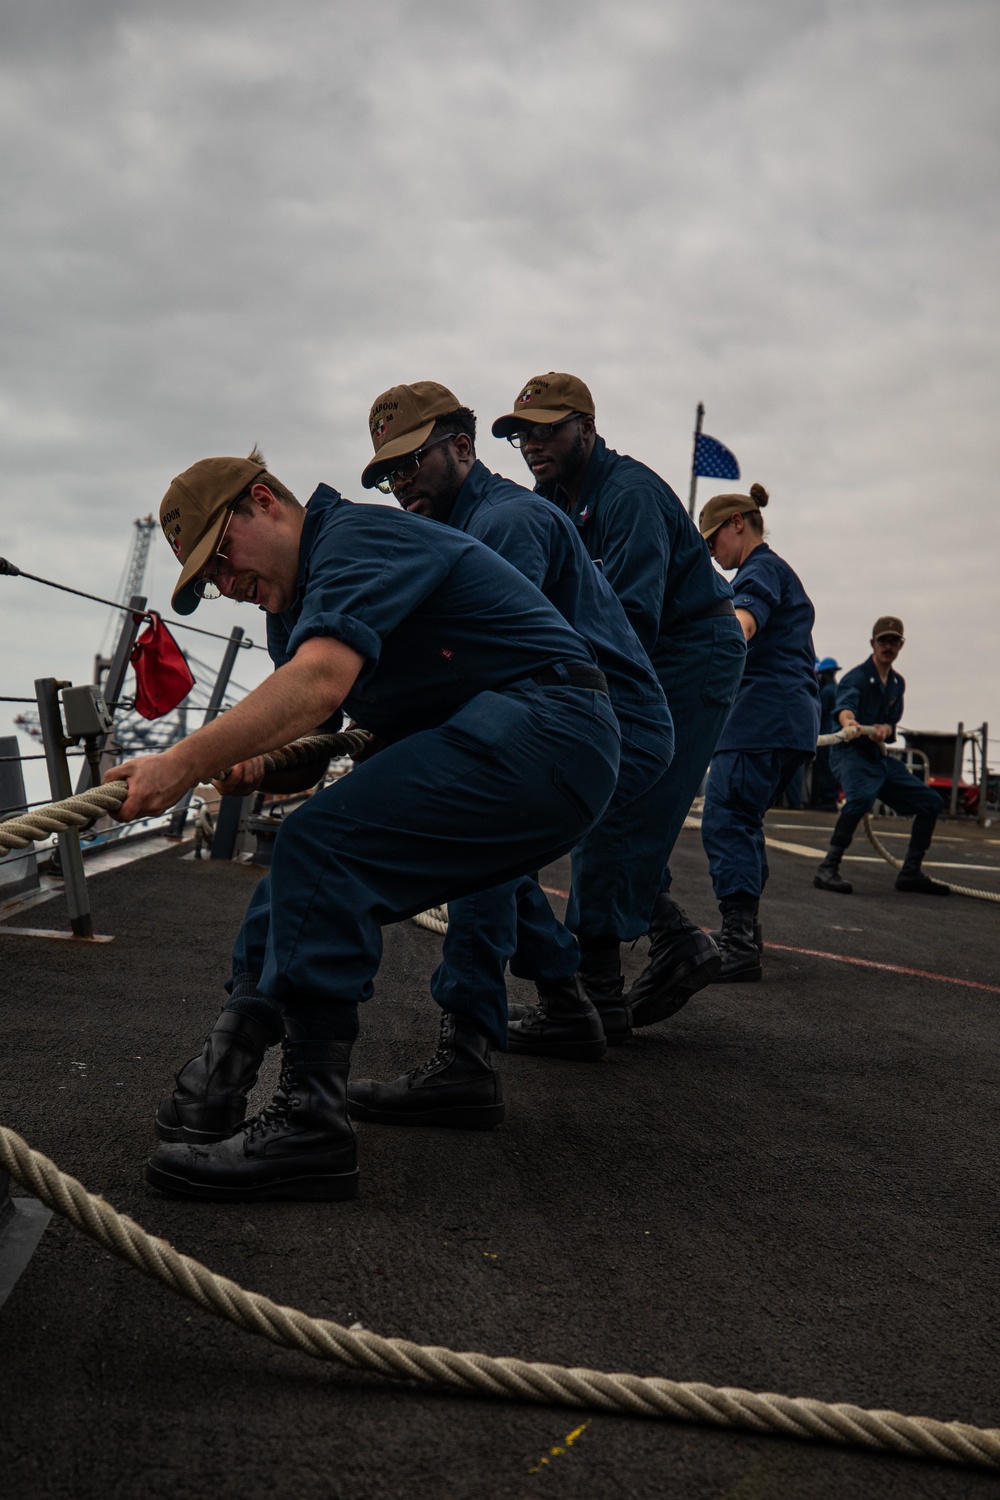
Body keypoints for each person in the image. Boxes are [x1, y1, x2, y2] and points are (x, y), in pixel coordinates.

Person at [108, 447, 622, 1201]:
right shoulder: (295, 605)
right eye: (211, 584)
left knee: (323, 846)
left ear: (266, 502)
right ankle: (220, 1073)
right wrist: (257, 763)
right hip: (509, 741)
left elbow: (320, 684)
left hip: (554, 727)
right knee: (302, 866)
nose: (226, 584)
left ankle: (311, 1123)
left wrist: (179, 762)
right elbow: (310, 754)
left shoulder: (353, 539)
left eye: (222, 555)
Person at [348, 382, 674, 1119]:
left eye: (412, 464)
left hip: (612, 725)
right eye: (388, 475)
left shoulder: (508, 522)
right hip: (582, 720)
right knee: (493, 833)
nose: (401, 486)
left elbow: (481, 660)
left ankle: (464, 1055)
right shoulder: (468, 530)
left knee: (478, 826)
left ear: (461, 448)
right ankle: (564, 1003)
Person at [492, 372, 746, 1024]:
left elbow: (630, 619)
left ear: (588, 427)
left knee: (610, 802)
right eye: (522, 433)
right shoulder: (548, 500)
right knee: (608, 800)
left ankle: (597, 994)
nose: (532, 444)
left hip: (691, 653)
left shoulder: (628, 494)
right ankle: (676, 940)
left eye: (547, 429)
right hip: (646, 652)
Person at [697, 485, 820, 981]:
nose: (710, 552)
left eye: (712, 541)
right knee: (744, 820)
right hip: (789, 719)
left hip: (759, 718)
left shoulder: (760, 569)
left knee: (726, 819)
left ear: (738, 524)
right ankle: (745, 930)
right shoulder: (775, 569)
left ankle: (739, 942)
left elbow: (743, 625)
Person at [813, 619, 948, 896]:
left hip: (876, 758)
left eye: (894, 642)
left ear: (901, 645)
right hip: (849, 754)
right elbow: (845, 708)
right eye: (883, 641)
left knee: (931, 802)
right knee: (861, 798)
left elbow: (890, 725)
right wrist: (850, 723)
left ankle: (910, 871)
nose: (888, 647)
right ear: (872, 644)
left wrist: (886, 730)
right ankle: (828, 867)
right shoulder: (857, 677)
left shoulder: (897, 683)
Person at [811, 657, 841, 811]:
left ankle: (828, 798)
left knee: (824, 764)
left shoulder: (827, 691)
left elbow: (818, 710)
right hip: (833, 731)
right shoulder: (836, 689)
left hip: (825, 731)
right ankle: (829, 796)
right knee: (829, 764)